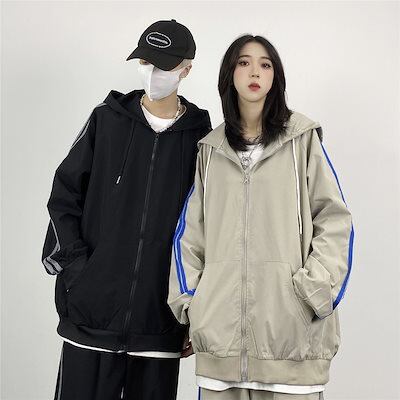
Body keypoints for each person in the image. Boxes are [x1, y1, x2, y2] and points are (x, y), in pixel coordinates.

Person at [167, 34, 354, 400]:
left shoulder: (301, 140)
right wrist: (194, 305)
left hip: (292, 348)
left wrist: (313, 291)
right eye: (244, 62)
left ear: (275, 77)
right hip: (220, 353)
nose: (255, 71)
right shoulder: (211, 150)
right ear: (229, 75)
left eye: (265, 64)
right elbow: (190, 234)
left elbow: (334, 219)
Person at [41, 19, 212, 400]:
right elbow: (64, 197)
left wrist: (193, 308)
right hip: (91, 318)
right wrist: (79, 274)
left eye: (163, 66)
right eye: (145, 62)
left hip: (159, 323)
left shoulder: (201, 140)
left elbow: (209, 227)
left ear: (186, 69)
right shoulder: (106, 120)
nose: (152, 73)